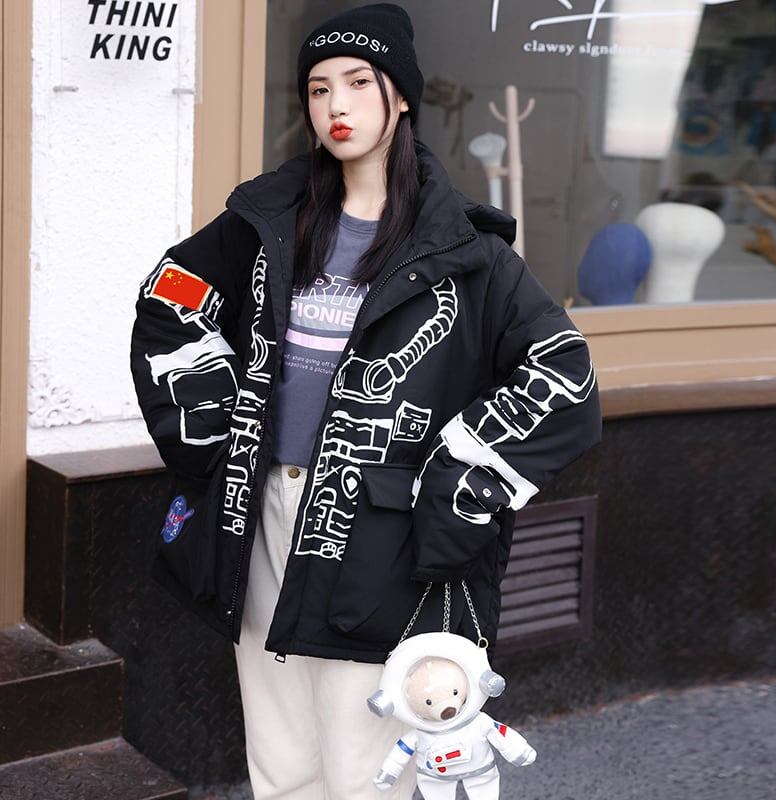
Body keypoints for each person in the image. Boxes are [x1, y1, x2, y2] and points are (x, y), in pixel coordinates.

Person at [129, 4, 603, 799]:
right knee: (280, 762)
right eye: (318, 89)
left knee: (364, 769)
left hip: (381, 531)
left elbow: (564, 374)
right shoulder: (266, 224)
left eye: (357, 83)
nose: (335, 106)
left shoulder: (464, 250)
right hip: (262, 512)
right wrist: (215, 433)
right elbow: (171, 298)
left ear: (402, 97)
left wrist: (459, 476)